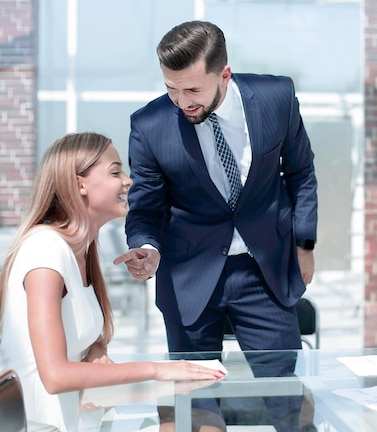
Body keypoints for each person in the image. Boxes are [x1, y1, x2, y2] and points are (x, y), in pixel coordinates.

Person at [114, 20, 318, 354]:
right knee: (194, 402)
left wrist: (304, 244)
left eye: (193, 90)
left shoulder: (276, 99)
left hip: (265, 271)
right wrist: (148, 249)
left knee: (284, 396)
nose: (182, 102)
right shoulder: (149, 125)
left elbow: (301, 173)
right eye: (171, 89)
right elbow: (146, 207)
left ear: (224, 75)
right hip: (188, 276)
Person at [0, 132, 225, 432]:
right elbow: (54, 376)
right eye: (116, 172)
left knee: (198, 417)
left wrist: (94, 351)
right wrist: (160, 371)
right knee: (200, 422)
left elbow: (77, 345)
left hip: (84, 417)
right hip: (50, 426)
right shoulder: (45, 250)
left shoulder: (81, 251)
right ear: (80, 184)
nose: (128, 181)